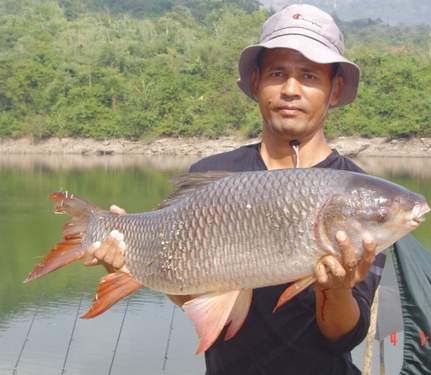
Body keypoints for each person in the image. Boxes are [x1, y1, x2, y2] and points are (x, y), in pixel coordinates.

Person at [85, 4, 386, 374]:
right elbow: (190, 293)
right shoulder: (212, 174)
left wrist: (337, 290)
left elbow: (342, 337)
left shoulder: (359, 198)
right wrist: (133, 264)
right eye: (278, 73)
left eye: (308, 76)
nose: (291, 89)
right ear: (257, 82)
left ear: (334, 89)